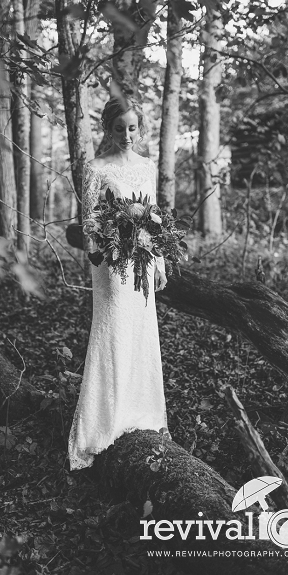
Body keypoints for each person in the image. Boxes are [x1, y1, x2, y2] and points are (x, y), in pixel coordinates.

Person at [68, 99, 168, 470]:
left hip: (142, 260)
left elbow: (155, 217)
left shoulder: (147, 166)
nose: (127, 135)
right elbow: (90, 221)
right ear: (108, 130)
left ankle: (140, 412)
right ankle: (103, 423)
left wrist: (157, 261)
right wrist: (110, 245)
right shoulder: (95, 168)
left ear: (139, 129)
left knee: (141, 331)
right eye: (119, 128)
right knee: (113, 333)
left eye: (132, 128)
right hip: (111, 264)